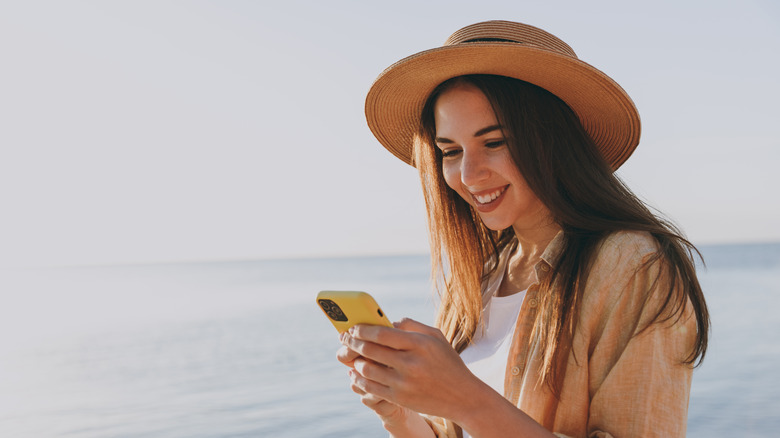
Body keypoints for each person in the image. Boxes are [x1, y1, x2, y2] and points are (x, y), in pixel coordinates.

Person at [337, 20, 709, 438]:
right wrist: (399, 413)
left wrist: (465, 399)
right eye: (451, 151)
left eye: (494, 142)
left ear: (552, 141)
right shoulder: (483, 276)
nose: (469, 174)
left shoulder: (634, 265)